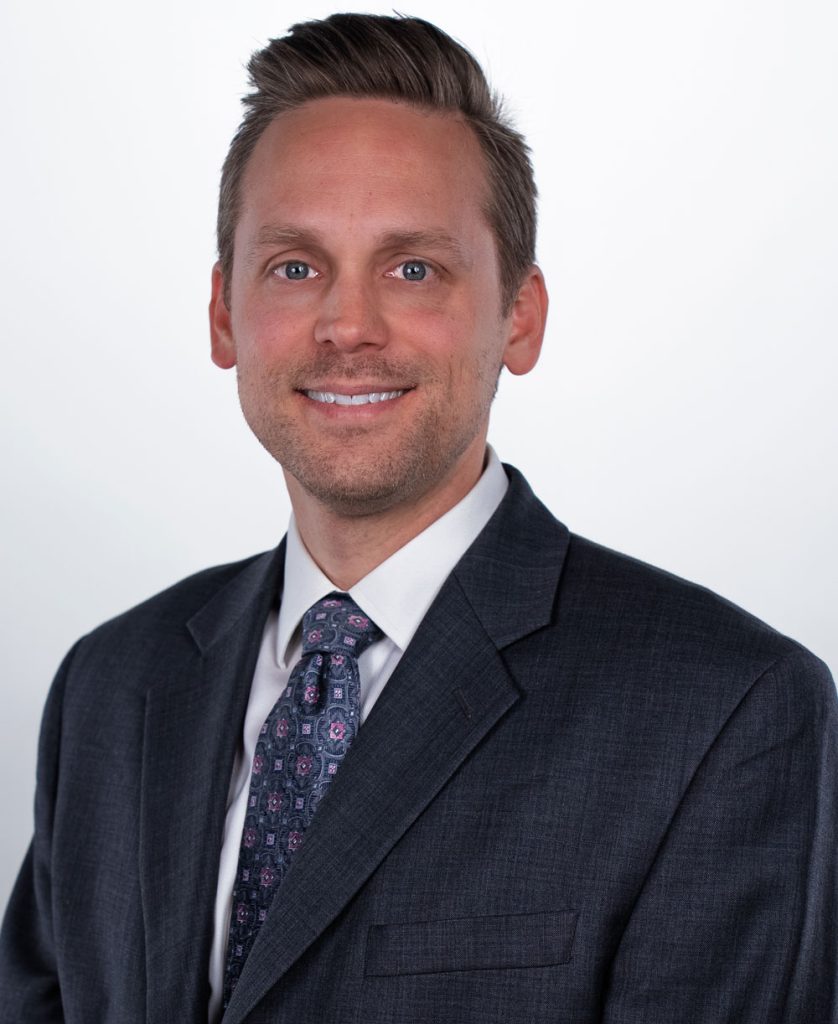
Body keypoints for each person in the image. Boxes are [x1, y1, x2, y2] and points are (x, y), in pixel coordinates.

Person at [1, 12, 835, 1024]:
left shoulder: (726, 712)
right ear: (224, 315)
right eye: (296, 266)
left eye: (412, 269)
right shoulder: (110, 686)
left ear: (519, 317)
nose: (347, 325)